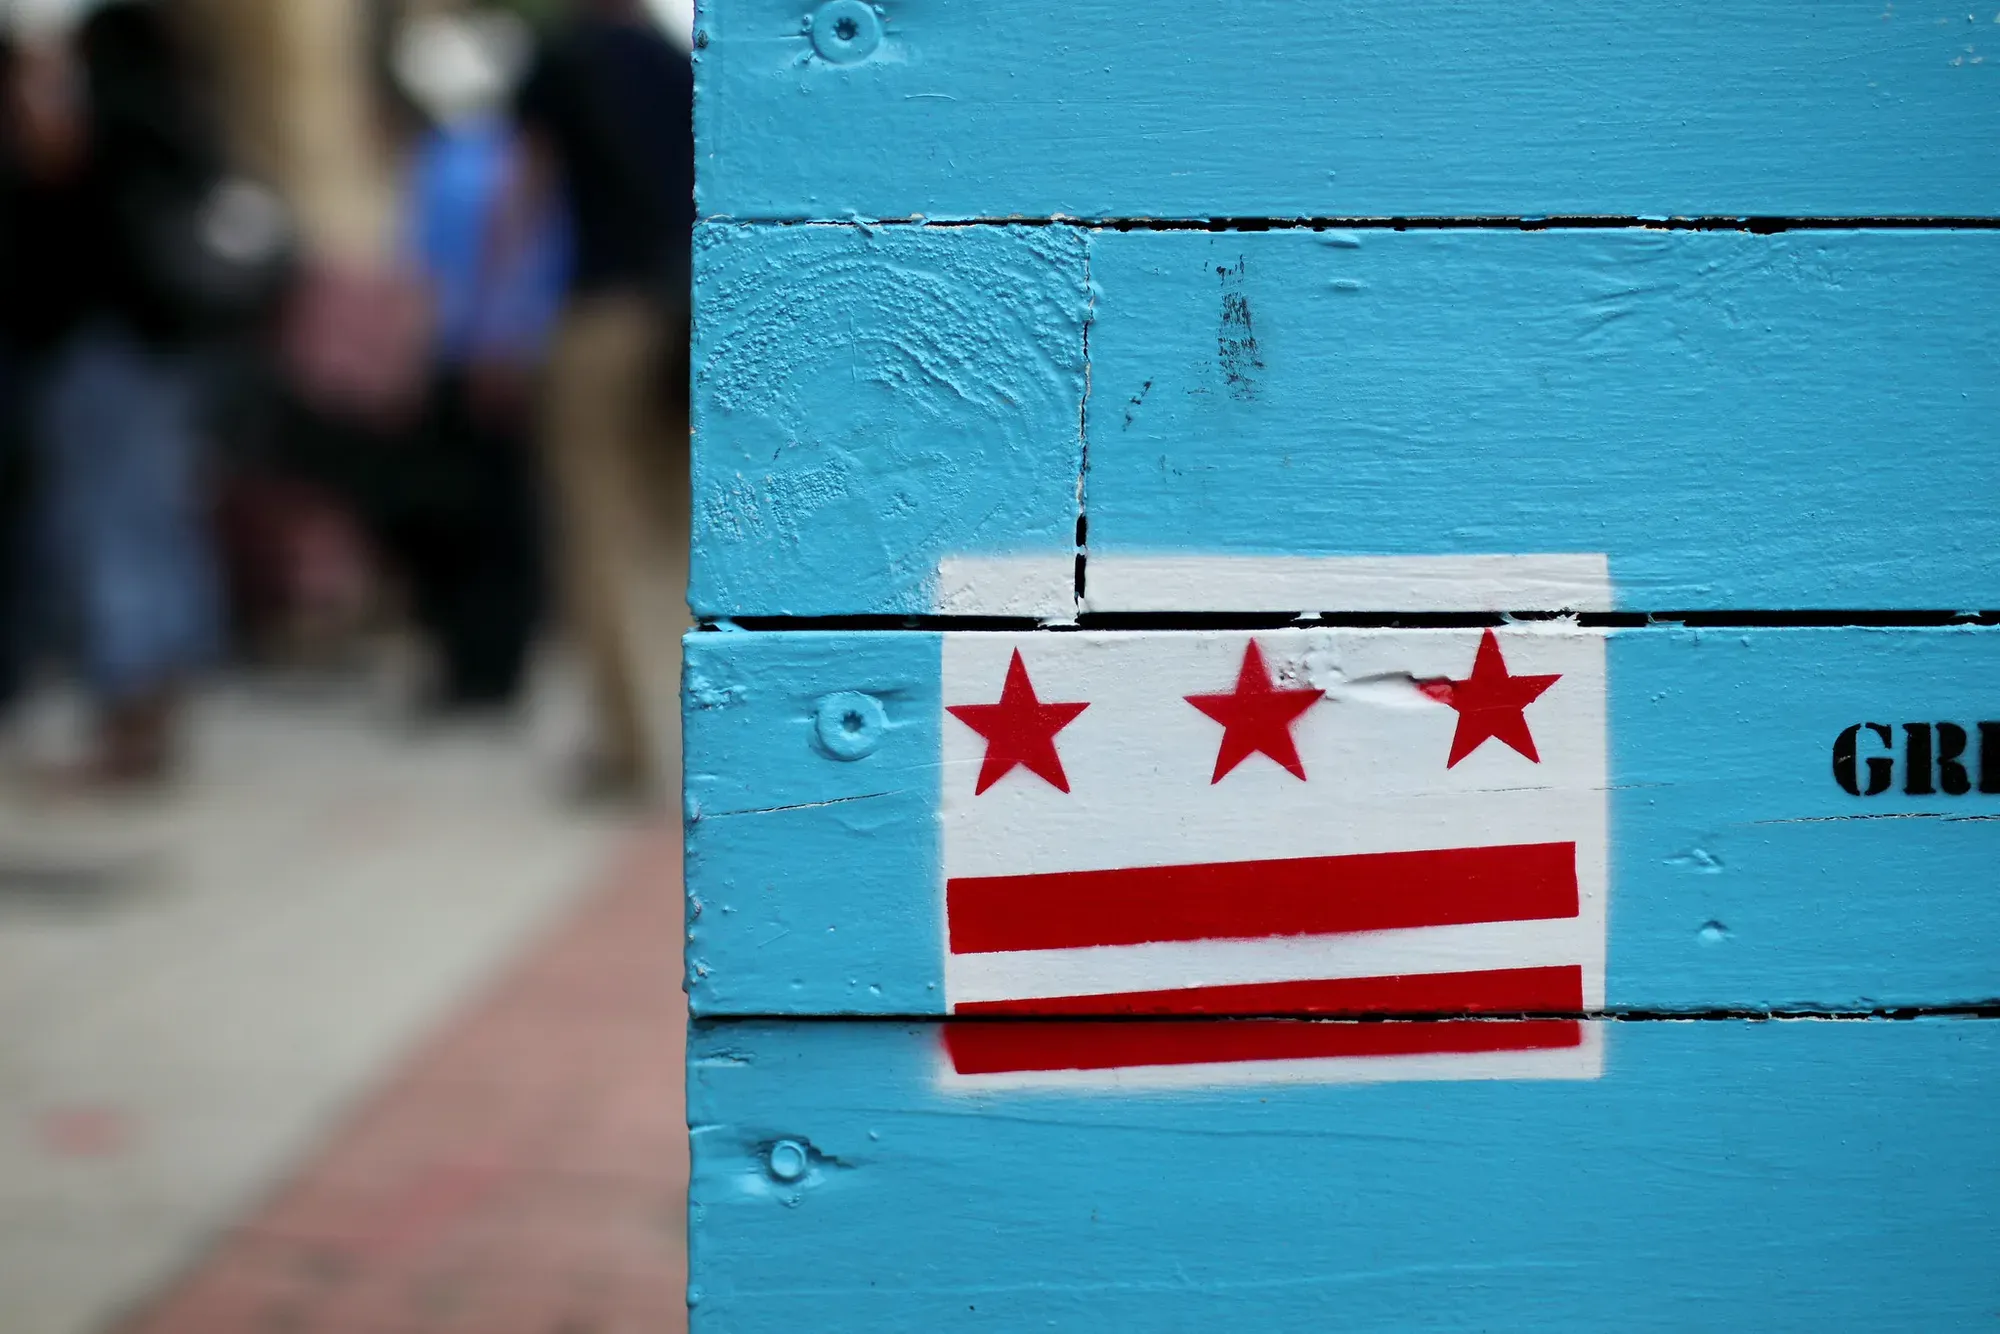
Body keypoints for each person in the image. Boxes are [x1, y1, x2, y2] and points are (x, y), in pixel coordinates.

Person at [0, 0, 285, 782]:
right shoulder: (181, 121)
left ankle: (129, 720)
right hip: (163, 352)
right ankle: (151, 712)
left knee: (110, 527)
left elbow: (53, 193)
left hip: (108, 349)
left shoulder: (108, 125)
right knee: (155, 522)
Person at [511, 0, 693, 795]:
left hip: (601, 317)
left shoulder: (561, 58)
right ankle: (713, 730)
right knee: (686, 532)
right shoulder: (678, 61)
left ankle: (628, 748)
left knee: (598, 532)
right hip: (692, 317)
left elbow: (522, 196)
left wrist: (483, 317)